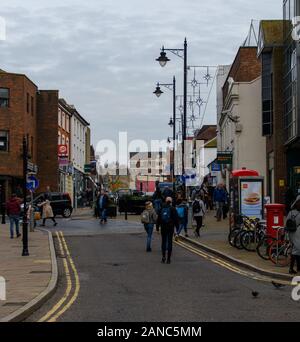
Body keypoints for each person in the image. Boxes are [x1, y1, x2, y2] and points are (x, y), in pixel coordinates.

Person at [157, 197, 179, 264]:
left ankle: (163, 257)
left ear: (165, 201)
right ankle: (168, 259)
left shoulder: (161, 208)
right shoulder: (173, 208)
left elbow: (158, 219)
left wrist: (157, 228)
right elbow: (176, 219)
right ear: (171, 202)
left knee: (163, 242)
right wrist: (177, 228)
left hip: (163, 227)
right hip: (170, 227)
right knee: (169, 242)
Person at [286, 195, 300, 275]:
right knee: (297, 251)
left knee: (295, 250)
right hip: (297, 233)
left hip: (291, 233)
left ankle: (292, 269)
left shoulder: (291, 212)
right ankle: (297, 269)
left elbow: (287, 223)